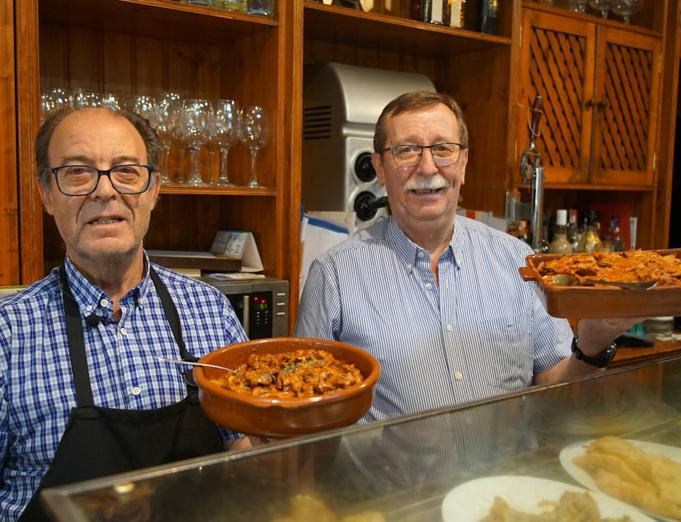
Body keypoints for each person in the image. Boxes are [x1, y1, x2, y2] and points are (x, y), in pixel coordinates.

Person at [295, 91, 636, 421]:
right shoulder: (334, 275)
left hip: (505, 477)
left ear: (464, 163)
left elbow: (561, 394)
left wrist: (591, 346)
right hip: (389, 480)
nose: (427, 167)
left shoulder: (518, 262)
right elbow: (306, 412)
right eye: (407, 150)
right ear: (380, 168)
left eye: (443, 149)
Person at [0, 106, 250, 520]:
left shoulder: (209, 309)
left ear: (153, 189)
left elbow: (240, 448)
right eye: (78, 172)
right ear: (46, 192)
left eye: (127, 171)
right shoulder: (9, 333)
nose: (104, 191)